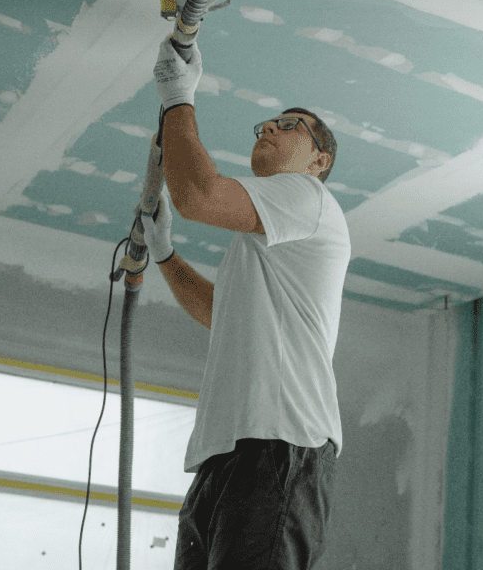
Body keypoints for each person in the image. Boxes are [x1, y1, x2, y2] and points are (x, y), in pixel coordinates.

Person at [141, 36, 352, 570]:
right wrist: (165, 254)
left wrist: (176, 97)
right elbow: (220, 312)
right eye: (264, 126)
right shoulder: (260, 245)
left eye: (289, 126)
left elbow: (199, 196)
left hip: (281, 443)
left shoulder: (309, 199)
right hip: (227, 452)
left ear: (318, 160)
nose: (270, 130)